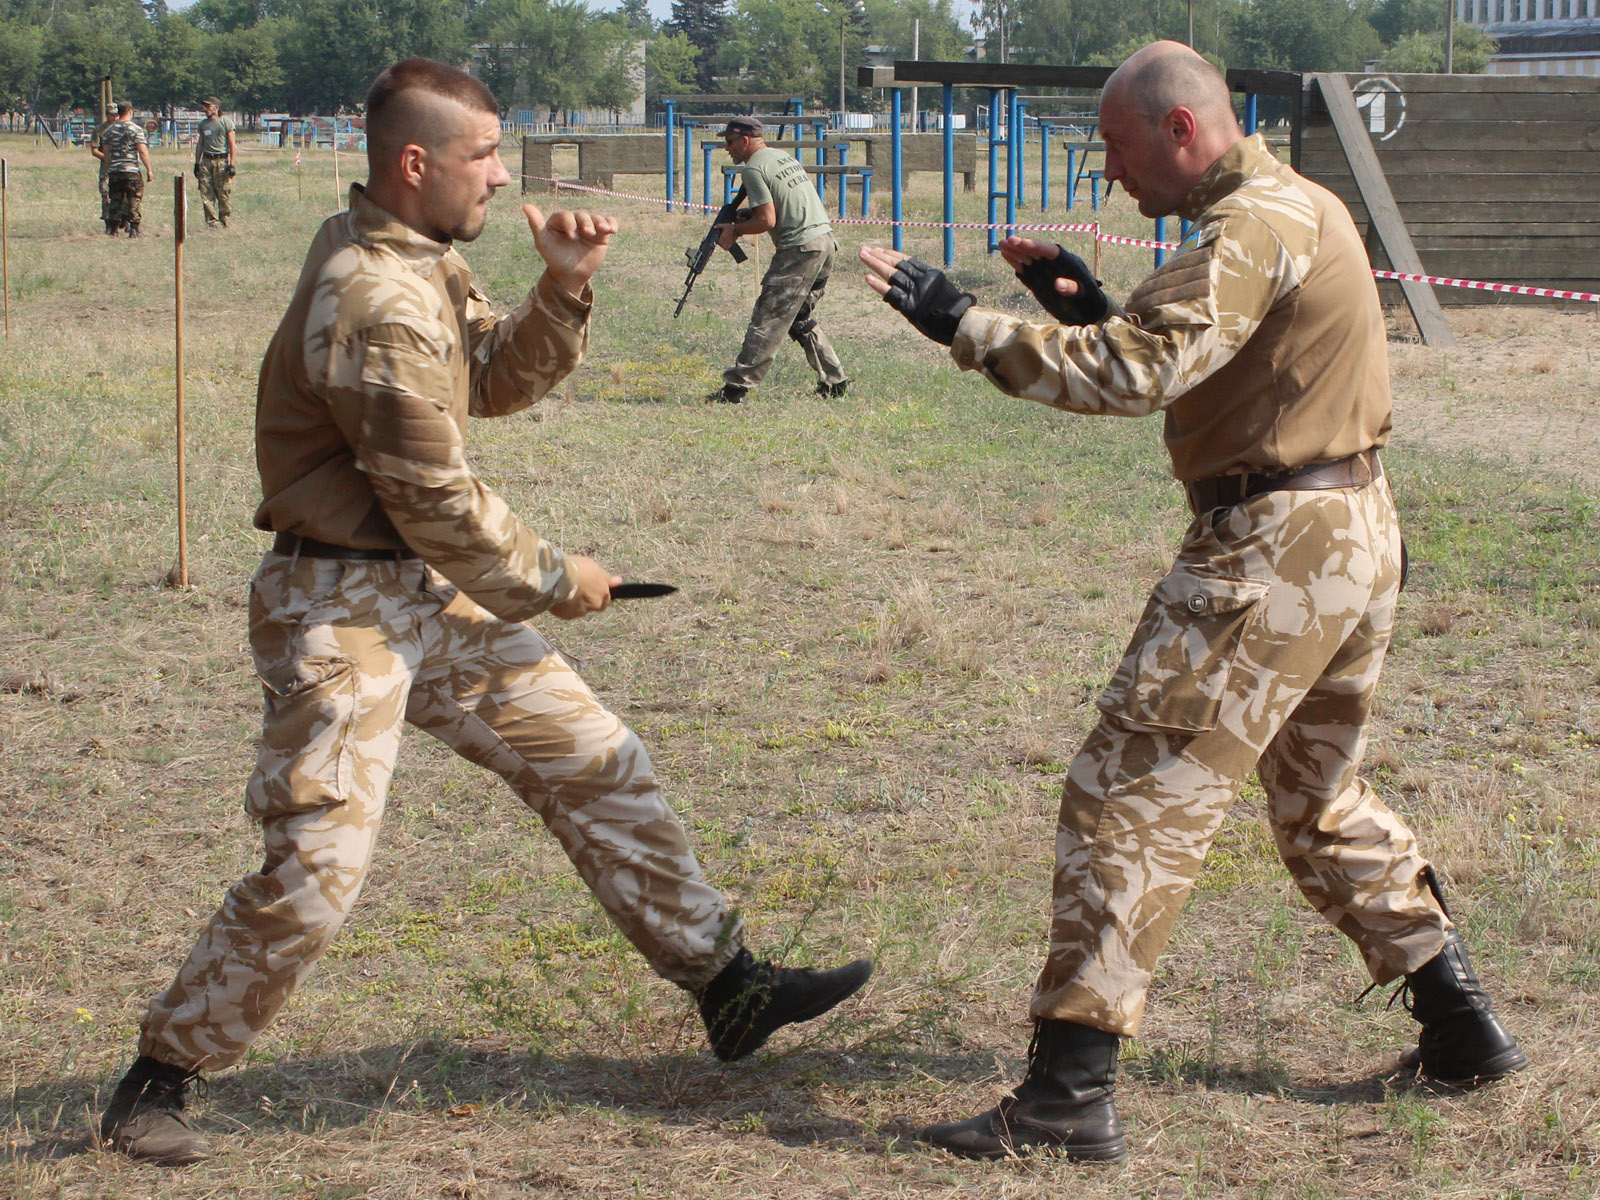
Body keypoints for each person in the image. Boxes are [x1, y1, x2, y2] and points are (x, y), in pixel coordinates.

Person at [98, 57, 872, 1167]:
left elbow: (493, 383)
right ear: (416, 163)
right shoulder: (372, 294)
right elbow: (436, 501)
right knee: (317, 868)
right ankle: (155, 1081)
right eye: (485, 156)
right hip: (342, 605)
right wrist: (562, 581)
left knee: (595, 757)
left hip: (418, 588)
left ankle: (729, 988)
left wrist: (559, 290)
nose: (503, 179)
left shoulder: (417, 259)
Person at [862, 40, 1524, 1163]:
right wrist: (1084, 302)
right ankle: (1460, 1027)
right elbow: (1220, 356)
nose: (1110, 176)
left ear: (1180, 132)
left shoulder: (1251, 222)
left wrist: (960, 323)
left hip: (1272, 549)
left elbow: (1134, 374)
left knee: (1127, 791)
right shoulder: (1295, 205)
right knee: (1320, 798)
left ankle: (1067, 1093)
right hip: (1347, 529)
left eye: (1116, 150)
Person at [705, 115, 848, 404]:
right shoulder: (781, 158)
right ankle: (835, 382)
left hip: (800, 249)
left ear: (745, 141)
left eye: (730, 142)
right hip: (825, 243)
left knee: (768, 316)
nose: (727, 148)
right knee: (799, 317)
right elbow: (779, 208)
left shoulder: (753, 169)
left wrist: (735, 230)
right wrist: (746, 218)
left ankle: (736, 389)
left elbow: (767, 221)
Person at [99, 101, 153, 238]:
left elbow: (106, 154)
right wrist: (149, 170)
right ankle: (134, 229)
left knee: (116, 199)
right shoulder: (135, 129)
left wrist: (109, 167)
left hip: (115, 171)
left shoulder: (108, 131)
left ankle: (113, 229)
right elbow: (142, 151)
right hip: (131, 170)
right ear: (130, 111)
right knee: (134, 198)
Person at [193, 96, 237, 228]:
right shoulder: (203, 124)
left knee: (223, 192)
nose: (205, 109)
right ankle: (212, 223)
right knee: (206, 192)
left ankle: (225, 220)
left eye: (208, 106)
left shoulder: (226, 123)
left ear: (216, 108)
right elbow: (200, 144)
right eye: (204, 107)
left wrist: (232, 164)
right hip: (206, 161)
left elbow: (232, 144)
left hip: (221, 161)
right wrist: (197, 163)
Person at [88, 111, 114, 234]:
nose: (114, 117)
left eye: (117, 114)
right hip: (106, 167)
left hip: (123, 167)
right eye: (112, 115)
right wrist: (108, 158)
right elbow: (94, 150)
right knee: (106, 194)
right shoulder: (99, 130)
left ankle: (126, 222)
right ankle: (108, 223)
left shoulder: (124, 128)